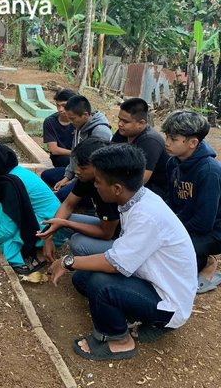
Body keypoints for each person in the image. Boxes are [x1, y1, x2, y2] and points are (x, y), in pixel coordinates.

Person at [50, 144, 197, 361]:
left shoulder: (146, 215)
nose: (95, 186)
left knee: (100, 285)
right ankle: (130, 314)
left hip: (168, 301)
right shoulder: (135, 199)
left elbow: (114, 264)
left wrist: (67, 261)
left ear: (117, 188)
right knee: (83, 279)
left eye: (98, 182)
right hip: (148, 279)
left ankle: (119, 340)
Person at [0, 140, 64, 274]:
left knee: (4, 237)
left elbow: (8, 228)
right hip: (49, 222)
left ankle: (28, 259)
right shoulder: (7, 175)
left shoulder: (10, 184)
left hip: (50, 229)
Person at [162, 110, 221, 293]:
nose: (167, 142)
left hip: (212, 232)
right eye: (167, 136)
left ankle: (206, 262)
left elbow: (204, 223)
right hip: (185, 223)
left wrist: (171, 230)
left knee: (167, 252)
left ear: (193, 143)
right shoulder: (173, 163)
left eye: (173, 138)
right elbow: (171, 201)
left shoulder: (209, 171)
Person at [38, 138, 120, 259]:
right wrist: (48, 236)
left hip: (120, 239)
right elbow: (67, 205)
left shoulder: (109, 190)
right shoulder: (87, 178)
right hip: (107, 227)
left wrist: (65, 223)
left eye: (83, 168)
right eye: (77, 166)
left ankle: (96, 269)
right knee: (59, 220)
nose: (77, 171)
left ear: (99, 166)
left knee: (78, 243)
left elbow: (107, 234)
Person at [54, 95, 112, 201]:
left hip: (90, 177)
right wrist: (67, 177)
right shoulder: (79, 126)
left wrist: (73, 181)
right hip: (79, 172)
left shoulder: (100, 132)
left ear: (85, 115)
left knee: (60, 196)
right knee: (46, 175)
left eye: (72, 119)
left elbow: (92, 166)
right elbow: (74, 154)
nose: (70, 122)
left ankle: (89, 204)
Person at [112, 97, 168, 198]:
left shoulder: (150, 141)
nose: (120, 124)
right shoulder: (122, 133)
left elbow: (140, 180)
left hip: (154, 191)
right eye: (119, 119)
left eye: (125, 121)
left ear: (141, 123)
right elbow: (108, 158)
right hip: (126, 179)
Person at [40, 88, 76, 187]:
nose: (60, 109)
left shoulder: (78, 121)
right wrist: (75, 153)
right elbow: (54, 150)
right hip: (62, 158)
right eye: (58, 105)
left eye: (64, 106)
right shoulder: (50, 121)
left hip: (78, 160)